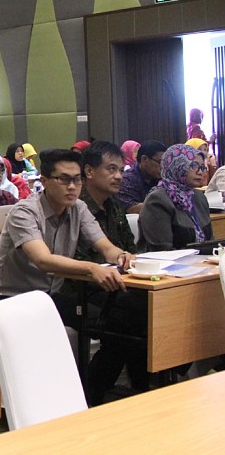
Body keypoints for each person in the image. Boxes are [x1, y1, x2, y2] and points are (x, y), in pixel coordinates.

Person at [0, 148, 132, 320]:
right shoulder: (24, 212)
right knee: (99, 321)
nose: (72, 186)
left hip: (50, 298)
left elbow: (106, 248)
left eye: (77, 179)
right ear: (44, 181)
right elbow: (43, 261)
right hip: (10, 300)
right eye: (63, 179)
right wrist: (92, 268)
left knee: (119, 317)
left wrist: (122, 256)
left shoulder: (78, 208)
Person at [73, 142, 147, 405]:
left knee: (151, 308)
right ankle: (93, 395)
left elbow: (128, 248)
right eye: (112, 169)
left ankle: (143, 387)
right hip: (80, 288)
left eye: (121, 170)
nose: (119, 176)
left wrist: (127, 259)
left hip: (117, 284)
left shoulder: (114, 206)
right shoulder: (75, 207)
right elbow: (76, 259)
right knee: (131, 318)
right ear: (89, 171)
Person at [139, 143, 212, 251]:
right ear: (177, 165)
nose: (200, 172)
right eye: (193, 165)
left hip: (202, 260)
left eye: (202, 167)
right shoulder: (157, 200)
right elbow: (162, 250)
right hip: (168, 260)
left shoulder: (198, 197)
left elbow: (211, 242)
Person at [116, 140, 167, 212]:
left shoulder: (161, 178)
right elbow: (131, 208)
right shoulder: (127, 179)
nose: (163, 167)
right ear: (144, 160)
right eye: (160, 162)